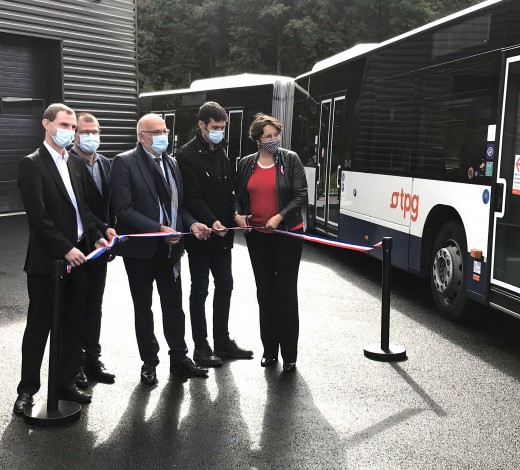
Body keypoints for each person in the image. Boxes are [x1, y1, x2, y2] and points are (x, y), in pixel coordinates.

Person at [14, 103, 110, 415]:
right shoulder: (32, 164)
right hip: (48, 264)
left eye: (72, 126)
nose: (69, 131)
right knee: (39, 327)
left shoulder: (75, 165)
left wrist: (95, 234)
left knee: (72, 325)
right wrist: (66, 248)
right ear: (47, 124)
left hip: (80, 259)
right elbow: (39, 218)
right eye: (64, 125)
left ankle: (67, 382)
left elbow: (82, 209)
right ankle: (27, 390)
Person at [110, 114, 211, 385]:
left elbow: (179, 207)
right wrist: (159, 229)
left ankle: (179, 357)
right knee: (143, 308)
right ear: (141, 136)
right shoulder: (124, 162)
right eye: (155, 132)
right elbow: (124, 210)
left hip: (171, 251)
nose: (162, 135)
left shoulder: (172, 163)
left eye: (164, 130)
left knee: (174, 306)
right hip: (141, 252)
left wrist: (192, 224)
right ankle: (149, 362)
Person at [177, 102, 253, 367]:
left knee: (226, 286)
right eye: (215, 127)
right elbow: (191, 197)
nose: (220, 131)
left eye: (222, 127)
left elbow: (231, 192)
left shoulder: (222, 152)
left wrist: (235, 214)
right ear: (201, 125)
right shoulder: (185, 155)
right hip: (201, 235)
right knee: (199, 290)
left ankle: (222, 341)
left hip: (223, 236)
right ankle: (201, 346)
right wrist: (212, 221)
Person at [234, 113, 308, 372]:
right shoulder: (245, 164)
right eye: (268, 136)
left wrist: (280, 216)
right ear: (257, 140)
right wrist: (237, 214)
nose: (274, 140)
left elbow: (301, 194)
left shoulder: (291, 159)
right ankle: (269, 351)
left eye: (276, 135)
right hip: (258, 238)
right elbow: (238, 196)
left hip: (288, 236)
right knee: (265, 293)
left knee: (286, 294)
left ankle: (289, 355)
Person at [69, 112, 116, 387]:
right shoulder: (69, 163)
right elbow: (81, 208)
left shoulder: (105, 163)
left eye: (95, 131)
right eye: (86, 132)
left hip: (101, 246)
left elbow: (109, 203)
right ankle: (75, 366)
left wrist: (112, 230)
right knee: (76, 307)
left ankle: (92, 359)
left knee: (94, 306)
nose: (91, 137)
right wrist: (102, 229)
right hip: (79, 246)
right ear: (75, 134)